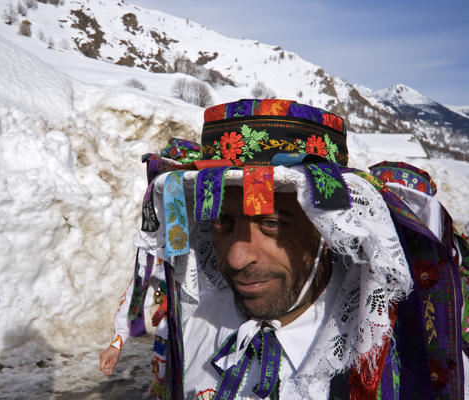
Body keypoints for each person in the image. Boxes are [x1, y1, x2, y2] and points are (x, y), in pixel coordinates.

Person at [132, 99, 469, 399]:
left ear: (328, 230)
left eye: (273, 224)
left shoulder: (403, 362)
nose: (237, 257)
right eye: (223, 224)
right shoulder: (194, 328)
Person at [99, 139, 201, 399]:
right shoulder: (156, 235)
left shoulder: (217, 228)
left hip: (206, 336)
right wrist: (117, 341)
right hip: (169, 338)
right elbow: (138, 286)